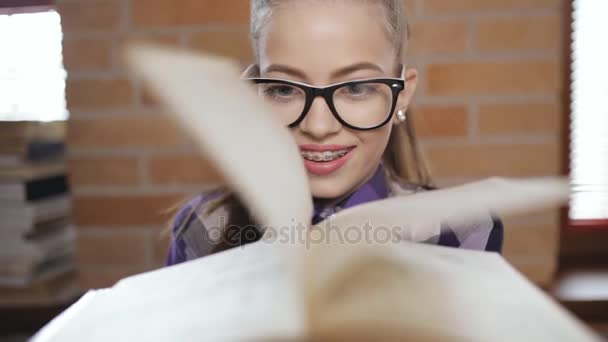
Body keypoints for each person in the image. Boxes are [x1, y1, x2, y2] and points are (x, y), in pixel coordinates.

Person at [166, 0, 503, 265]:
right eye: (284, 89)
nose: (319, 127)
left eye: (356, 87)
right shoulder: (203, 226)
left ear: (402, 93)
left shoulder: (459, 231)